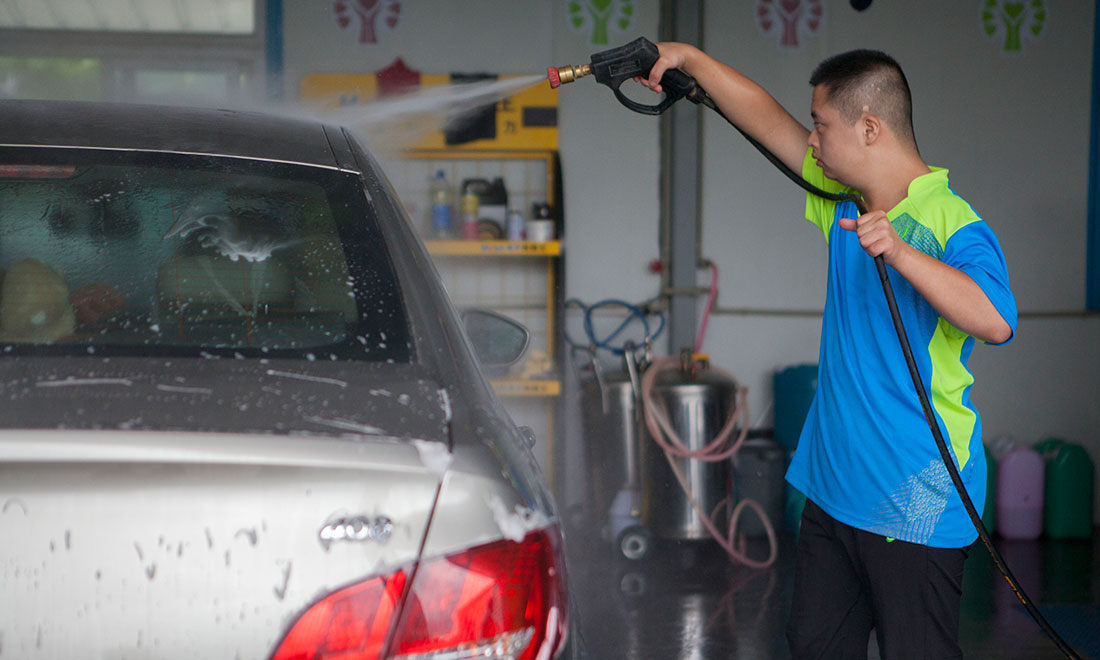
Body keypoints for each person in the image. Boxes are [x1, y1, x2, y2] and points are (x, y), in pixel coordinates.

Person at [642, 44, 1017, 659]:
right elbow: (764, 118)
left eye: (821, 124)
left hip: (918, 497)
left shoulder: (953, 222)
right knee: (814, 647)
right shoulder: (843, 196)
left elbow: (997, 320)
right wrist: (689, 58)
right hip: (834, 490)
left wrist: (900, 251)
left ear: (869, 128)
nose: (811, 140)